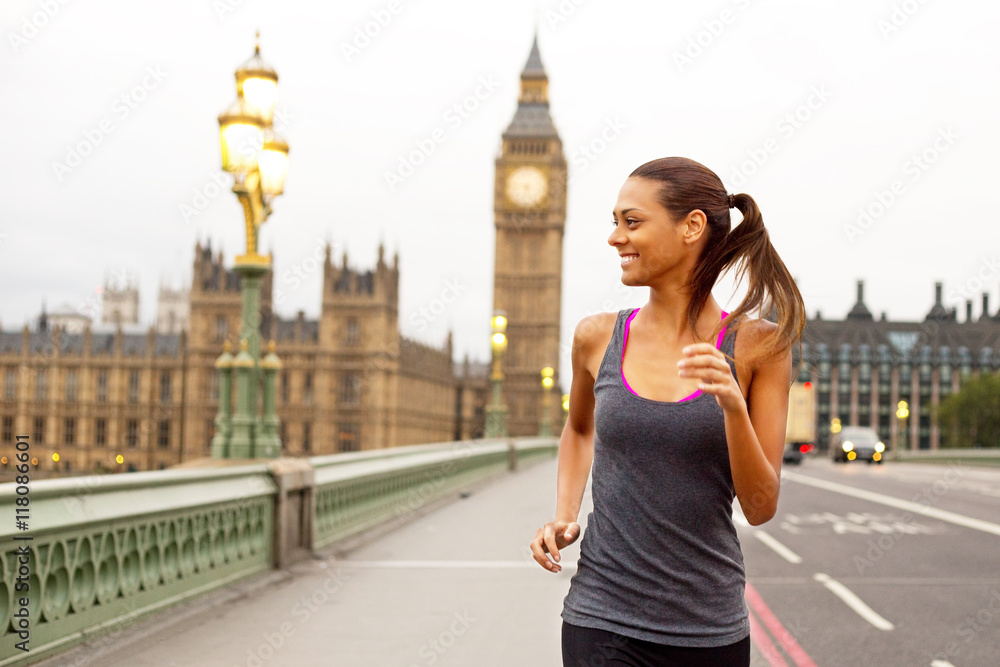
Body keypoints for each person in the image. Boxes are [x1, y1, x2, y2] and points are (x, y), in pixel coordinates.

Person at [528, 157, 806, 667]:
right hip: (600, 618)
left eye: (632, 222)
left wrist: (732, 407)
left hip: (708, 631)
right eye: (614, 222)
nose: (615, 238)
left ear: (692, 227)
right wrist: (565, 515)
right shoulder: (596, 337)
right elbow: (579, 429)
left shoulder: (758, 348)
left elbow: (761, 506)